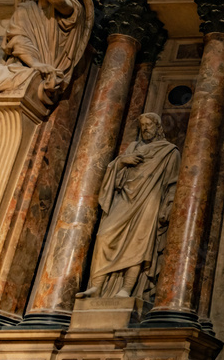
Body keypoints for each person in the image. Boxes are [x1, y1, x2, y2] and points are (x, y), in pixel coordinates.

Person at [76, 113, 180, 299]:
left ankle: (126, 288)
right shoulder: (133, 147)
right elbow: (114, 177)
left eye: (149, 125)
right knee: (104, 235)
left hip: (149, 199)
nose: (146, 128)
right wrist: (123, 162)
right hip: (125, 197)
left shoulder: (169, 152)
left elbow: (173, 183)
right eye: (143, 126)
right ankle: (96, 286)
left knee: (139, 243)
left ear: (158, 127)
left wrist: (168, 207)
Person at [0, 0, 93, 108]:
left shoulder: (72, 6)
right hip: (31, 64)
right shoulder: (25, 10)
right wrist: (35, 63)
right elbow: (18, 40)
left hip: (52, 74)